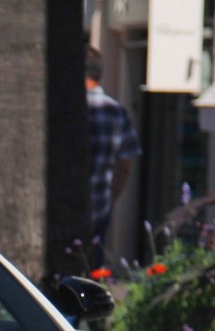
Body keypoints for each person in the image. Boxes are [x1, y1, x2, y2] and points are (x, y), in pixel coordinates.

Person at [85, 47, 141, 249]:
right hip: (98, 207)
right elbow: (125, 166)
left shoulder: (61, 107)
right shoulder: (116, 111)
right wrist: (110, 198)